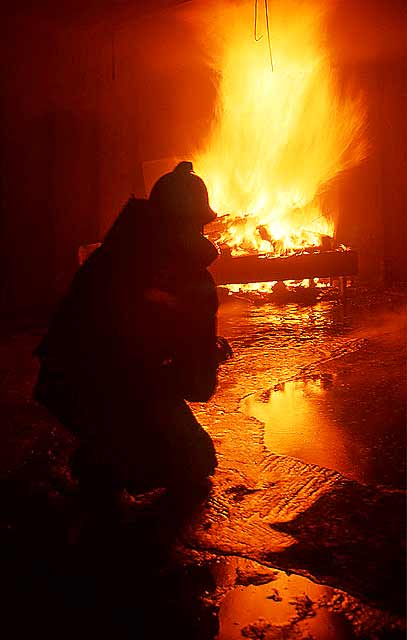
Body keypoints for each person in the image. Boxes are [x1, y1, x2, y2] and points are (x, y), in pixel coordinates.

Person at [33, 161, 231, 515]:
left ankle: (108, 449)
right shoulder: (189, 279)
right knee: (193, 462)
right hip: (109, 387)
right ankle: (108, 461)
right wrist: (207, 355)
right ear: (194, 223)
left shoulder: (111, 255)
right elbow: (196, 386)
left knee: (134, 419)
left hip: (59, 384)